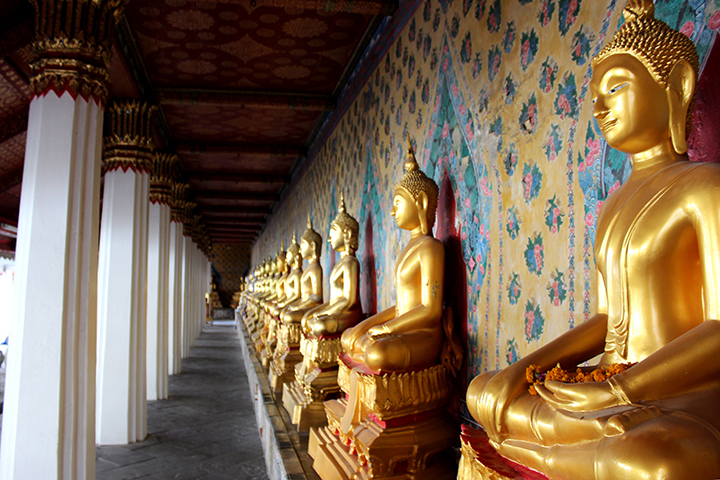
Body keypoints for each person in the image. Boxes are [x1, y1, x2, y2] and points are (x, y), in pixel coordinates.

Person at [466, 1, 720, 478]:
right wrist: (521, 371)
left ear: (679, 84)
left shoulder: (705, 187)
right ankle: (574, 448)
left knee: (653, 462)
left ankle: (544, 454)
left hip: (682, 389)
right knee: (484, 391)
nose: (600, 108)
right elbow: (606, 320)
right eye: (596, 95)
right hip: (608, 386)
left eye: (616, 88)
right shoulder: (613, 204)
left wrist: (621, 391)